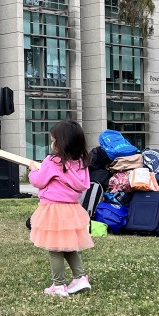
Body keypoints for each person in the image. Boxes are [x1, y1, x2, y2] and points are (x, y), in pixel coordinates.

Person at [28, 120, 94, 297]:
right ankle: (80, 278)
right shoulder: (81, 164)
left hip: (53, 210)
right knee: (69, 245)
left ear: (60, 143)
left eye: (53, 140)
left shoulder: (52, 161)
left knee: (55, 248)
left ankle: (58, 286)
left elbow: (38, 181)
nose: (52, 143)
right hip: (72, 210)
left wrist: (33, 170)